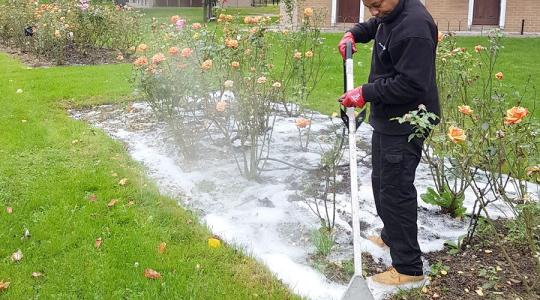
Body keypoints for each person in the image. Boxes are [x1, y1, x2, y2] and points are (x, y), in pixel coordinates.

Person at [337, 0, 440, 286]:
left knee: (395, 190)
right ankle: (390, 236)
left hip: (408, 122)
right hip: (389, 118)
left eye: (376, 4)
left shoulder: (414, 28)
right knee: (382, 181)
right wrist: (354, 34)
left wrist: (364, 93)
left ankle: (408, 268)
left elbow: (411, 84)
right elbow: (376, 23)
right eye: (368, 5)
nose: (373, 11)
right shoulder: (392, 12)